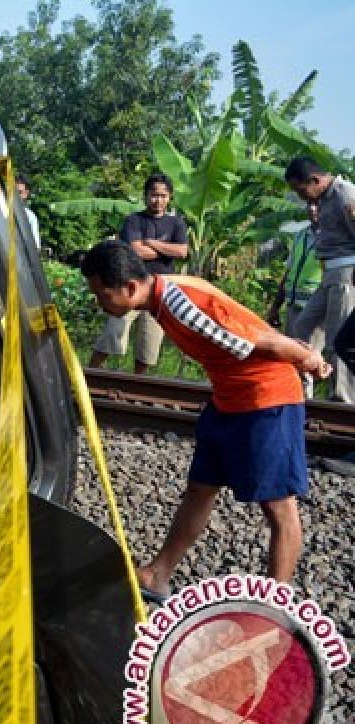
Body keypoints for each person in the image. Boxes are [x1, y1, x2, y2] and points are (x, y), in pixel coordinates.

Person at [78, 240, 330, 597]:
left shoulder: (180, 304)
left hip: (266, 398)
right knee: (201, 487)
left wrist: (310, 360)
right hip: (228, 399)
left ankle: (274, 605)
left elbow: (265, 344)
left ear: (130, 287)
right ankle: (157, 574)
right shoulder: (166, 291)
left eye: (102, 295)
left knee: (278, 506)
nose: (100, 303)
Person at [89, 174, 188, 374]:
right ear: (145, 196)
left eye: (162, 195)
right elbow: (135, 250)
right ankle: (90, 375)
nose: (157, 200)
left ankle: (137, 387)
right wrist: (165, 250)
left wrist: (151, 243)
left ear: (169, 197)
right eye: (153, 195)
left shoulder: (176, 224)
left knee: (148, 345)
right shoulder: (134, 220)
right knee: (112, 332)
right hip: (130, 286)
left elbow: (182, 252)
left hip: (160, 289)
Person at [284, 157, 355, 402]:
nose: (301, 197)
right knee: (302, 326)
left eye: (301, 191)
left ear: (315, 180)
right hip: (329, 273)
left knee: (338, 338)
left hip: (347, 274)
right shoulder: (322, 201)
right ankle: (301, 392)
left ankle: (342, 400)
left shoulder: (345, 195)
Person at [266, 203, 324, 394]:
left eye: (319, 205)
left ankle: (304, 407)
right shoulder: (300, 236)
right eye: (310, 205)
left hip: (315, 307)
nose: (313, 209)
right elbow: (288, 272)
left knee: (307, 361)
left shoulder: (333, 238)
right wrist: (275, 306)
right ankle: (292, 402)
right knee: (289, 361)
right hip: (293, 305)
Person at [16, 173, 41, 251]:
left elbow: (35, 249)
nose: (15, 195)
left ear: (26, 193)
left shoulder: (30, 217)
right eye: (13, 191)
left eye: (19, 192)